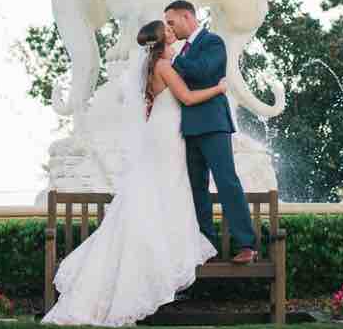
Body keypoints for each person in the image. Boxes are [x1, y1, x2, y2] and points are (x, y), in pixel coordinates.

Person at [42, 20, 228, 326]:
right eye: (167, 30)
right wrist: (219, 88)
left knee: (157, 190)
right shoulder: (165, 67)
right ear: (161, 39)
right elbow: (189, 98)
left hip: (160, 131)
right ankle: (162, 252)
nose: (171, 31)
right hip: (167, 134)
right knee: (168, 187)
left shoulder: (151, 66)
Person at [164, 0, 257, 265]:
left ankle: (247, 245)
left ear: (186, 17)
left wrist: (174, 61)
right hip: (189, 129)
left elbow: (205, 72)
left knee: (227, 182)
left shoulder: (213, 42)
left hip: (214, 125)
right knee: (197, 189)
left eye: (171, 22)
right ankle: (207, 247)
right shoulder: (181, 51)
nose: (170, 28)